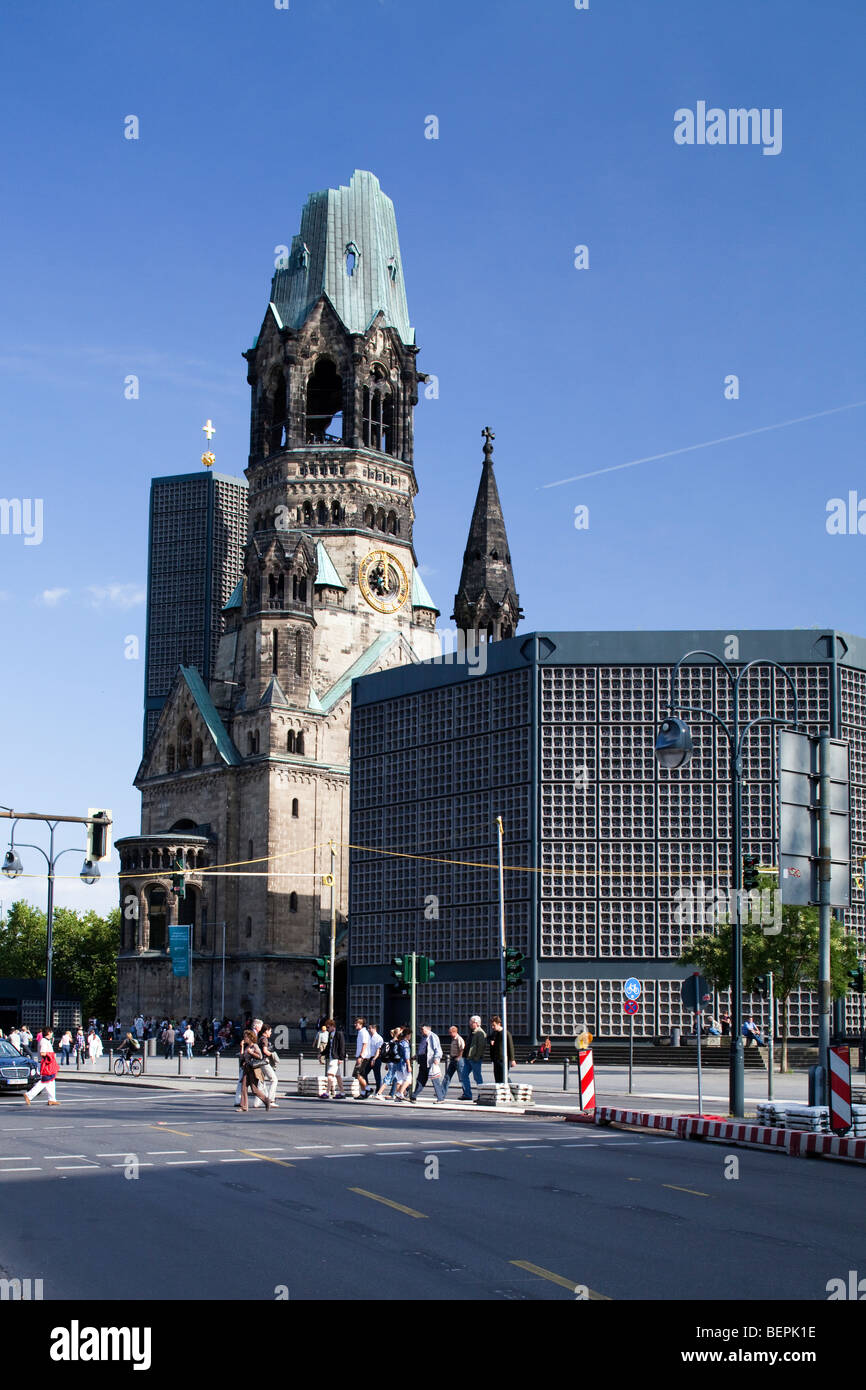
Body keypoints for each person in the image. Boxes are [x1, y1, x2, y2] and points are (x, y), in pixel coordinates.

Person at [23, 1027, 60, 1106]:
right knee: (45, 1081)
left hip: (48, 1064)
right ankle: (29, 1095)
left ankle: (52, 1099)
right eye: (51, 1032)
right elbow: (43, 1053)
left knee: (51, 1081)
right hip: (46, 1064)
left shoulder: (46, 1041)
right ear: (48, 1032)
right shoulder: (44, 1041)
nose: (52, 1034)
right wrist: (52, 1055)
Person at [237, 1030, 271, 1112]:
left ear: (250, 1038)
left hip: (253, 1070)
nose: (244, 1038)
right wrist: (241, 1046)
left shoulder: (254, 1046)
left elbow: (260, 1056)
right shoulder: (247, 1047)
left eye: (245, 1037)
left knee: (254, 1089)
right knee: (243, 1088)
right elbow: (242, 1057)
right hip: (246, 1069)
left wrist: (251, 1053)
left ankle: (266, 1100)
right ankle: (244, 1106)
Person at [412, 1024, 445, 1102]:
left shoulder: (433, 1037)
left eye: (422, 1029)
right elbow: (422, 1049)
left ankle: (440, 1098)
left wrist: (437, 1058)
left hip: (430, 1062)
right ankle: (413, 1096)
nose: (421, 1031)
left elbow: (437, 1049)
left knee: (435, 1080)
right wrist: (416, 1056)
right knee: (420, 1079)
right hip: (423, 1062)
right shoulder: (423, 1038)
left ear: (428, 1029)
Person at [441, 1025, 469, 1098]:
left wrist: (459, 1057)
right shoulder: (453, 1039)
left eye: (450, 1032)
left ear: (454, 1032)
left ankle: (467, 1094)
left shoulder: (459, 1039)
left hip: (458, 1060)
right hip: (453, 1059)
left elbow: (462, 1048)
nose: (449, 1034)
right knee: (447, 1076)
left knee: (462, 1077)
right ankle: (441, 1093)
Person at [462, 1016, 486, 1097]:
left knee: (477, 1077)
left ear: (476, 1023)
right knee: (464, 1075)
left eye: (471, 1022)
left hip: (474, 1059)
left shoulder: (480, 1033)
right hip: (468, 1058)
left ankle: (481, 1095)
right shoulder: (472, 1032)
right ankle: (467, 1094)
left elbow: (481, 1047)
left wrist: (476, 1057)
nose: (470, 1023)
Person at [322, 1018, 346, 1098]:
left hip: (335, 1058)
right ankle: (342, 1093)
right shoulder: (330, 1034)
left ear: (333, 1026)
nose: (327, 1029)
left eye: (328, 1027)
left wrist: (341, 1058)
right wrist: (322, 1053)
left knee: (329, 1075)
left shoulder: (339, 1033)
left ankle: (327, 1093)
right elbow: (329, 1046)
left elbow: (342, 1046)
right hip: (332, 1057)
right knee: (338, 1076)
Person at [489, 1015, 515, 1084]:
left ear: (499, 1024)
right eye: (492, 1025)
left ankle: (512, 1089)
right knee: (497, 1077)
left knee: (504, 1077)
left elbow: (510, 1046)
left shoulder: (505, 1033)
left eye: (494, 1025)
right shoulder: (494, 1034)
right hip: (496, 1059)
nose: (492, 1027)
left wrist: (512, 1060)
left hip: (504, 1059)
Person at [353, 1017, 373, 1099]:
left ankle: (368, 1089)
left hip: (363, 1057)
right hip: (362, 1056)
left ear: (361, 1024)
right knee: (361, 1075)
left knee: (357, 1074)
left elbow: (364, 1044)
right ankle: (363, 1092)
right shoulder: (361, 1032)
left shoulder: (363, 1032)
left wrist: (361, 1056)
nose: (355, 1025)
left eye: (356, 1023)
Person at [392, 1027, 412, 1101]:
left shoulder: (399, 1042)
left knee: (400, 1080)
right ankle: (400, 1093)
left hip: (398, 1063)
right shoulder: (405, 1044)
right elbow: (407, 1056)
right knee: (408, 1079)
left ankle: (398, 1097)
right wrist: (409, 1065)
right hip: (404, 1064)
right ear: (408, 1035)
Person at [368, 1022, 384, 1093]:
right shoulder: (369, 1037)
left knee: (377, 1075)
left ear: (374, 1029)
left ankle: (378, 1090)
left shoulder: (378, 1038)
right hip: (369, 1058)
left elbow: (378, 1050)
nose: (368, 1030)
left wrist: (374, 1059)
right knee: (364, 1073)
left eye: (370, 1028)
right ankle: (368, 1088)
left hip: (376, 1058)